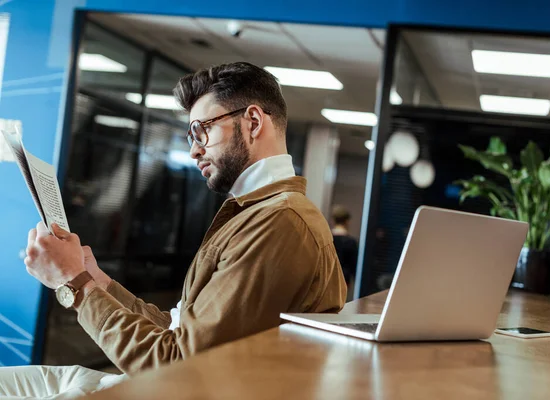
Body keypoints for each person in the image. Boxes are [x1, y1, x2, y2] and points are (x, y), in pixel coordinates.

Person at [0, 62, 347, 399]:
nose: (194, 150)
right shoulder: (259, 213)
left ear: (253, 122)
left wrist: (75, 282)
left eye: (202, 130)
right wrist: (96, 280)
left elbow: (180, 365)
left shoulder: (278, 223)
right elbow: (175, 329)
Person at [331, 205, 359, 297]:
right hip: (343, 280)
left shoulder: (327, 239)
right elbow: (354, 266)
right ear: (347, 221)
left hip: (327, 278)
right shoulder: (351, 242)